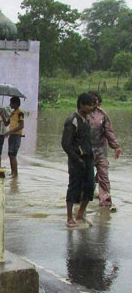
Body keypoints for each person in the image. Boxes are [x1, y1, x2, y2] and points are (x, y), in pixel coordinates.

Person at [61, 93, 95, 227]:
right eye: (89, 105)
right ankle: (69, 217)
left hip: (88, 159)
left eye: (92, 105)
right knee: (74, 187)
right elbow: (65, 143)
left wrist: (93, 157)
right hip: (76, 160)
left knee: (90, 187)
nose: (91, 107)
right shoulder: (72, 120)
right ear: (81, 105)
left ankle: (80, 214)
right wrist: (76, 158)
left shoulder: (86, 120)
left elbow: (87, 141)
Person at [88, 91, 121, 210]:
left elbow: (109, 132)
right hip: (86, 152)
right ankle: (84, 198)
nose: (95, 103)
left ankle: (105, 202)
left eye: (96, 101)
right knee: (87, 177)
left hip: (101, 151)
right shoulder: (82, 115)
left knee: (104, 175)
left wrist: (116, 146)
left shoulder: (102, 115)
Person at [5, 97, 24, 177]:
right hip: (12, 136)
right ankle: (12, 172)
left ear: (16, 104)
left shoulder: (20, 113)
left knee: (13, 154)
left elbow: (21, 126)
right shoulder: (12, 113)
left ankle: (15, 173)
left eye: (11, 103)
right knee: (10, 154)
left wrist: (10, 132)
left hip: (16, 136)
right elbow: (6, 123)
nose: (10, 105)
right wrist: (3, 115)